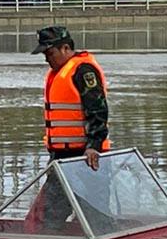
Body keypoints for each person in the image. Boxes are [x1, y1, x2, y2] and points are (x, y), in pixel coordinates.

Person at [31, 26, 110, 170]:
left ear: (65, 48)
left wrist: (93, 146)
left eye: (50, 53)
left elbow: (98, 110)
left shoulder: (83, 71)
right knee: (52, 185)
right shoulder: (58, 72)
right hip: (61, 156)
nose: (47, 59)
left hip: (86, 157)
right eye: (45, 55)